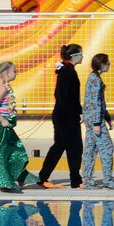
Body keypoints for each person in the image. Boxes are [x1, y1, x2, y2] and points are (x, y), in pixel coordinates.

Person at [38, 43, 85, 189]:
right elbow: (64, 96)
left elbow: (67, 95)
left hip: (62, 114)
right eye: (81, 54)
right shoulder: (68, 72)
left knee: (59, 146)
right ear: (74, 56)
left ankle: (43, 177)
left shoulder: (67, 70)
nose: (82, 57)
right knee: (75, 147)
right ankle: (75, 181)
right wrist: (77, 112)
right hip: (66, 116)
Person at [0, 61, 38, 193]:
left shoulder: (6, 86)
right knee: (1, 153)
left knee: (17, 150)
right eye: (14, 71)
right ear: (7, 74)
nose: (16, 73)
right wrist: (3, 120)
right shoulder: (3, 87)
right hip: (1, 125)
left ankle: (20, 177)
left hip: (7, 124)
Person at [81, 53, 114, 189]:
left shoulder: (93, 78)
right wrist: (97, 123)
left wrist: (107, 118)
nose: (109, 64)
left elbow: (100, 102)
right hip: (95, 120)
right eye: (107, 63)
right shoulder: (95, 80)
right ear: (102, 64)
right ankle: (107, 180)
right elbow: (95, 103)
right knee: (107, 148)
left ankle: (87, 180)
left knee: (91, 149)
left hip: (92, 118)